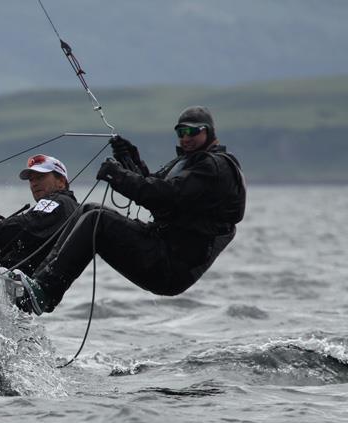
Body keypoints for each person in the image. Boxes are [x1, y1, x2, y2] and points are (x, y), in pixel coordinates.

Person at [13, 106, 246, 315]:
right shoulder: (193, 163)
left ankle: (44, 292)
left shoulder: (215, 167)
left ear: (210, 132)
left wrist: (118, 175)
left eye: (193, 132)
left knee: (96, 221)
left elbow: (163, 195)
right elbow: (157, 188)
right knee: (88, 210)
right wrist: (129, 160)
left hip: (172, 265)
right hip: (163, 248)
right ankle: (37, 281)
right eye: (181, 132)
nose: (186, 137)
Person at [0, 154, 78, 274]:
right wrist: (1, 233)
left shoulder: (60, 202)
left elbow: (28, 223)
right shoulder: (62, 207)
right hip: (24, 282)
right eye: (31, 180)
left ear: (61, 181)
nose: (34, 184)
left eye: (40, 177)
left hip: (31, 286)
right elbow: (21, 238)